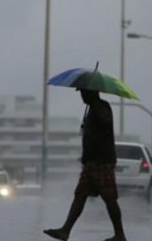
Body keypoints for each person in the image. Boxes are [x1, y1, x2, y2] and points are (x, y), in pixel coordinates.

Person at [43, 89, 127, 241]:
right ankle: (65, 230)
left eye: (83, 93)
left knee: (109, 198)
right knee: (80, 195)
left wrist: (95, 106)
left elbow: (106, 120)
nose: (81, 96)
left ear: (91, 93)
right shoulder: (91, 110)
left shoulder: (102, 107)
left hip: (102, 162)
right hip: (90, 162)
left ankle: (120, 234)